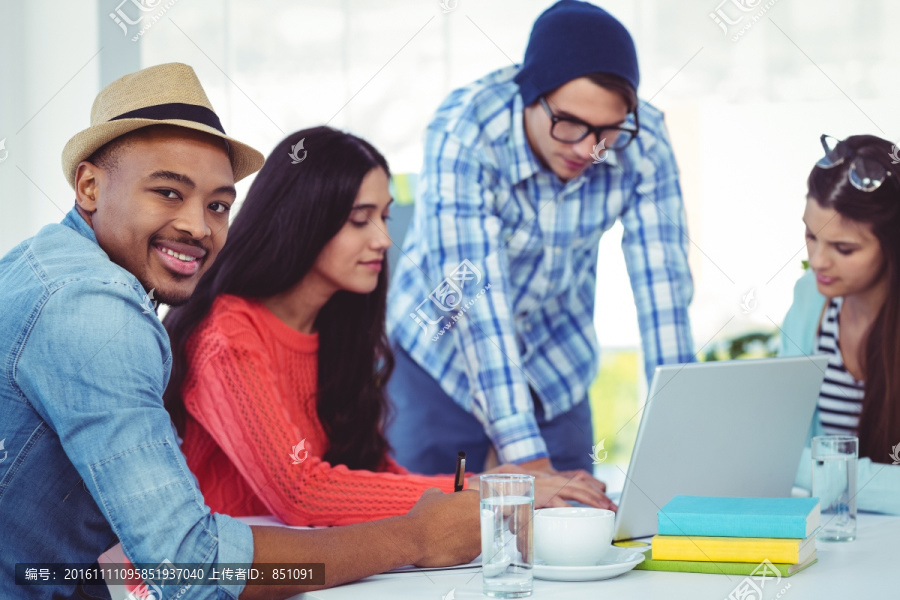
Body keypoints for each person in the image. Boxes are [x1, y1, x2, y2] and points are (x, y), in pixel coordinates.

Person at [0, 63, 479, 600]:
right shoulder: (95, 311)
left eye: (218, 206)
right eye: (167, 192)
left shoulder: (48, 266)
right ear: (88, 185)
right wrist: (417, 535)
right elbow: (189, 565)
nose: (199, 227)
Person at [162, 126, 613, 528]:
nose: (382, 238)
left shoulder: (337, 329)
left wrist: (496, 485)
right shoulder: (225, 336)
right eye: (361, 220)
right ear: (303, 221)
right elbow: (302, 494)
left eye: (384, 216)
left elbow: (374, 476)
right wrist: (489, 490)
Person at [386, 0, 695, 480]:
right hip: (439, 361)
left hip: (555, 362)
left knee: (569, 529)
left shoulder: (642, 139)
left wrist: (679, 435)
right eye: (568, 123)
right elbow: (473, 300)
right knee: (430, 539)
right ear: (528, 93)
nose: (586, 149)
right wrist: (527, 461)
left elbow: (664, 290)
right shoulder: (465, 130)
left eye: (606, 131)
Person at [780, 133, 900, 515]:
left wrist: (808, 471)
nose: (817, 261)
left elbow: (784, 460)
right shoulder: (809, 298)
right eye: (811, 236)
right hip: (834, 541)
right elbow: (783, 434)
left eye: (843, 249)